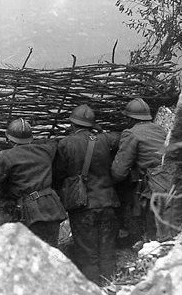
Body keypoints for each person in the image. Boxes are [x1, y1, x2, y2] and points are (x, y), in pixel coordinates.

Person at [53, 104, 120, 285]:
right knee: (107, 252)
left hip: (83, 206)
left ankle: (92, 289)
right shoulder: (106, 140)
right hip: (108, 203)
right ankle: (110, 287)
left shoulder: (66, 143)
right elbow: (120, 138)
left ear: (73, 125)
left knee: (87, 254)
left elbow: (58, 175)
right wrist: (98, 130)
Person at [0, 119, 67, 247]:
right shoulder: (46, 150)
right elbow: (56, 143)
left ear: (9, 140)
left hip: (29, 213)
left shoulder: (5, 157)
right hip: (51, 208)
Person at [111, 98, 170, 240]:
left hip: (155, 187)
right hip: (170, 182)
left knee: (155, 234)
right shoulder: (160, 130)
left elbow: (118, 172)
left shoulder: (131, 133)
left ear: (130, 119)